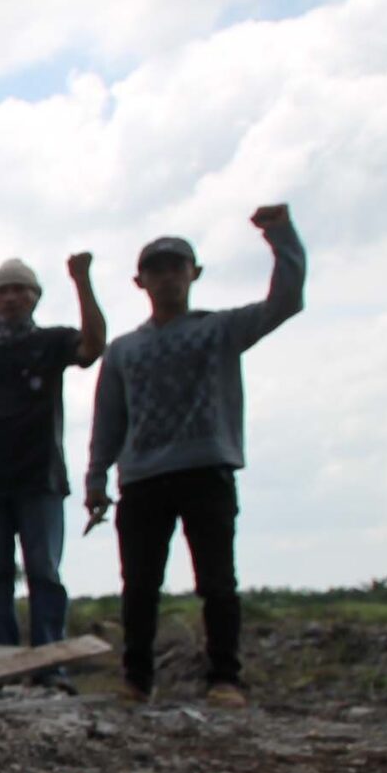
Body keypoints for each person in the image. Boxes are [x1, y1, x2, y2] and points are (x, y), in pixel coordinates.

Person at [85, 205, 305, 708]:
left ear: (194, 274)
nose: (166, 278)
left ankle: (225, 678)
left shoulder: (219, 330)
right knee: (139, 585)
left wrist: (280, 235)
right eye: (156, 270)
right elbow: (108, 418)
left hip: (207, 468)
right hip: (141, 478)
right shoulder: (123, 351)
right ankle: (136, 681)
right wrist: (96, 477)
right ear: (140, 281)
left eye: (175, 268)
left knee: (217, 582)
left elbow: (286, 301)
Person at [0, 253, 106, 651]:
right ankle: (3, 659)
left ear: (35, 297)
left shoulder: (53, 342)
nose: (10, 298)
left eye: (19, 290)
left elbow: (94, 346)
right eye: (1, 291)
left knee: (44, 572)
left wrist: (82, 280)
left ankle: (50, 662)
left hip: (40, 478)